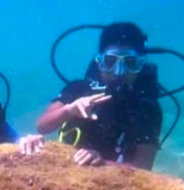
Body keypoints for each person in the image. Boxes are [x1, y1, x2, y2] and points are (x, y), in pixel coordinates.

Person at [37, 22, 164, 170]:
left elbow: (143, 167)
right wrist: (68, 111)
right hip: (66, 172)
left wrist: (102, 164)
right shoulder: (78, 89)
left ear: (141, 65)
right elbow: (42, 127)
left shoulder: (146, 108)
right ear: (99, 62)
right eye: (110, 61)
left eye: (130, 62)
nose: (119, 71)